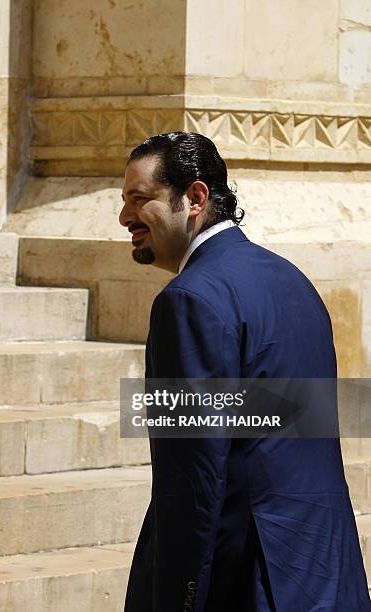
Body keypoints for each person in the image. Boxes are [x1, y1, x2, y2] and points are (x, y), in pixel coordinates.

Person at [119, 132, 370, 611]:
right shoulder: (292, 279)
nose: (125, 217)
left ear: (194, 198)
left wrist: (177, 598)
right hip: (325, 575)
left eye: (140, 199)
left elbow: (192, 478)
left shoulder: (188, 301)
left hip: (248, 583)